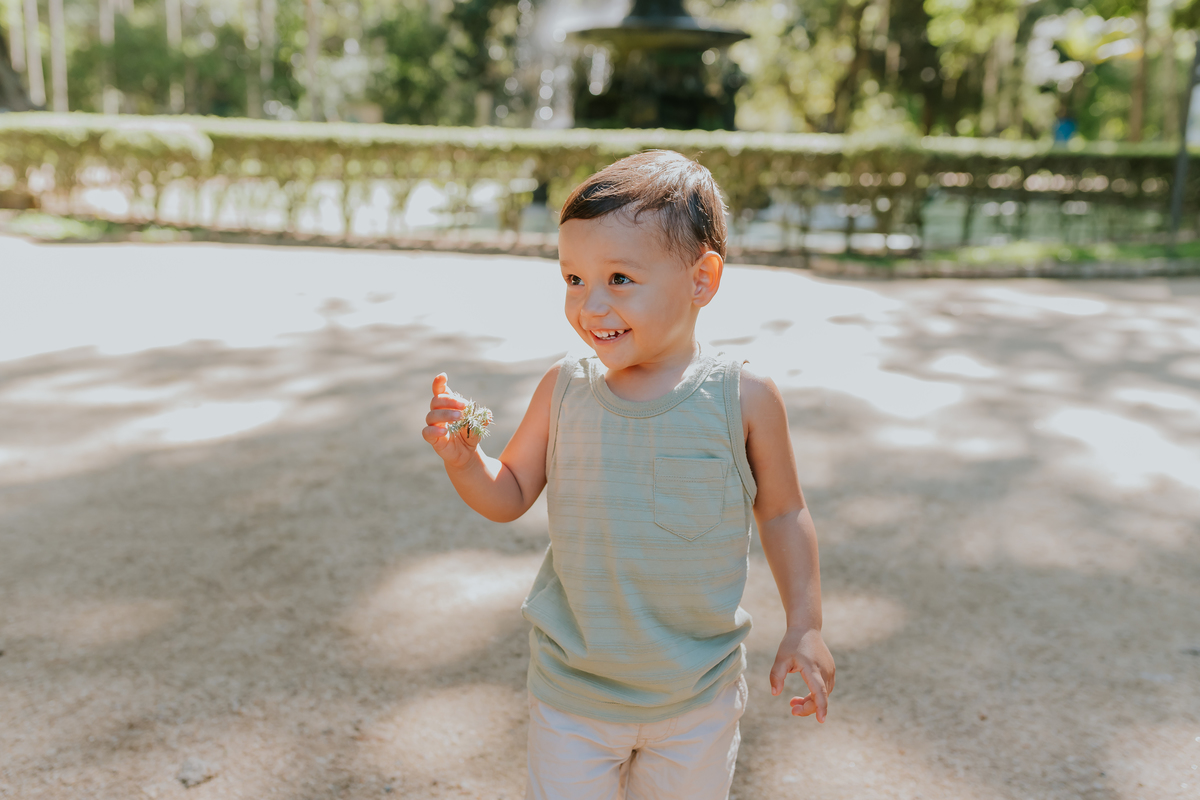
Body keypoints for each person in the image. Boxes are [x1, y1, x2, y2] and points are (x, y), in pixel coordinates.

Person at [422, 150, 834, 800]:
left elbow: (783, 512)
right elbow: (510, 494)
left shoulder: (744, 397)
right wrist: (466, 460)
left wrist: (805, 624)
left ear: (702, 280)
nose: (591, 305)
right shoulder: (564, 389)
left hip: (696, 696)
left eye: (619, 278)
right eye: (573, 279)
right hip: (573, 694)